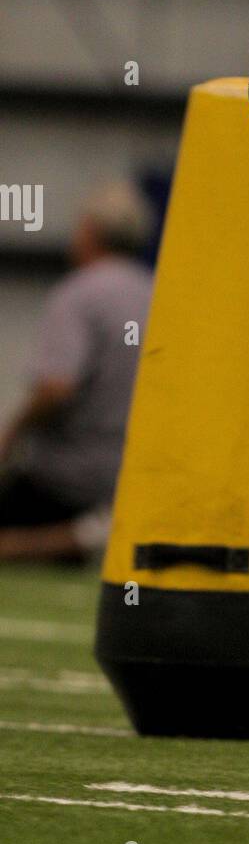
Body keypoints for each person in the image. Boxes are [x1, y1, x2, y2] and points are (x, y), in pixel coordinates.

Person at [0, 181, 153, 561]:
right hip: (130, 476)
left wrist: (11, 435)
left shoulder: (79, 294)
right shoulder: (155, 291)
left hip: (64, 480)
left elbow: (56, 387)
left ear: (90, 232)